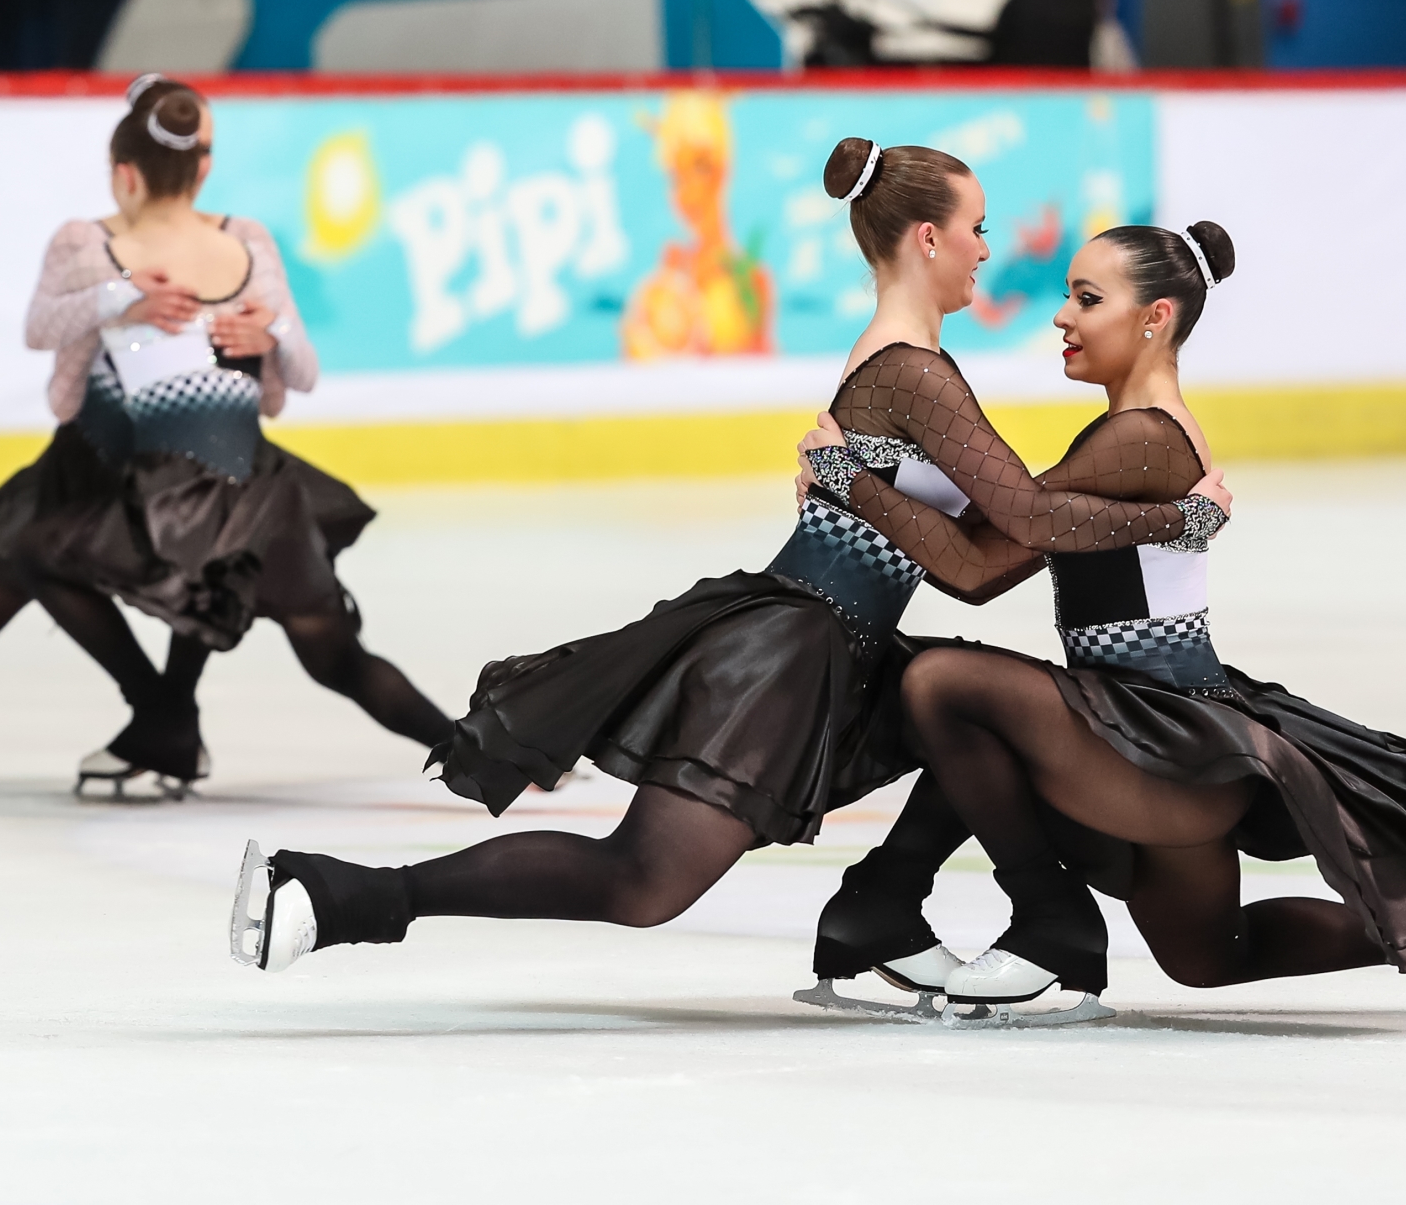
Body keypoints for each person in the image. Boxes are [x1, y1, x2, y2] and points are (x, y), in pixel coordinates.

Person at [228, 137, 1230, 985]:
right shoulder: (913, 373)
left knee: (963, 710)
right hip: (792, 650)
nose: (986, 248)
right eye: (975, 227)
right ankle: (335, 894)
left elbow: (979, 557)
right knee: (643, 880)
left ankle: (881, 915)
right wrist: (1175, 520)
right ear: (927, 239)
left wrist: (857, 485)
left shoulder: (911, 364)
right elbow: (1018, 524)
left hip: (840, 645)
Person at [803, 220, 1406, 1008]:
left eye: (1088, 299)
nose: (1062, 316)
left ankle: (1030, 917)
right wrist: (867, 482)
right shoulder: (1142, 435)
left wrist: (850, 478)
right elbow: (993, 540)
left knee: (943, 685)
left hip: (1156, 744)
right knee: (1209, 953)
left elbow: (984, 562)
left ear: (1156, 317)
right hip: (1157, 739)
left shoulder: (1140, 439)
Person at [0, 75, 453, 794]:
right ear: (199, 166)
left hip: (196, 480)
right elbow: (46, 331)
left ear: (123, 171)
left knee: (204, 550)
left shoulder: (241, 242)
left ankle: (166, 719)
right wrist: (124, 297)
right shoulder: (93, 247)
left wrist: (270, 332)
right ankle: (156, 719)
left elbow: (286, 378)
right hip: (86, 478)